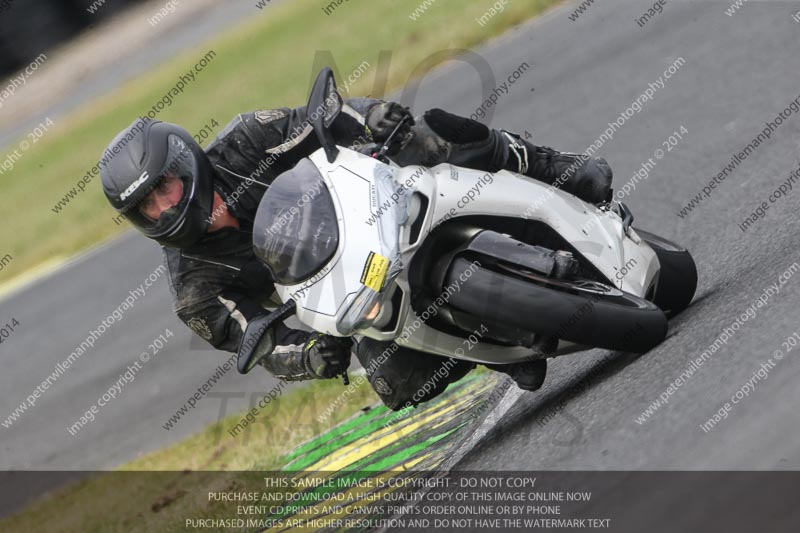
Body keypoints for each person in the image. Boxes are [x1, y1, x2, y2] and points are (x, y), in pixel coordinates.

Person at [100, 95, 612, 411]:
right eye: (146, 207)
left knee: (422, 139)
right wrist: (306, 357)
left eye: (163, 186)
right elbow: (255, 342)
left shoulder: (248, 138)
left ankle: (543, 163)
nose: (164, 207)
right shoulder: (196, 289)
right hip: (344, 289)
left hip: (368, 206)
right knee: (396, 380)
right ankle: (491, 346)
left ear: (184, 160)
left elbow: (324, 117)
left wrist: (374, 117)